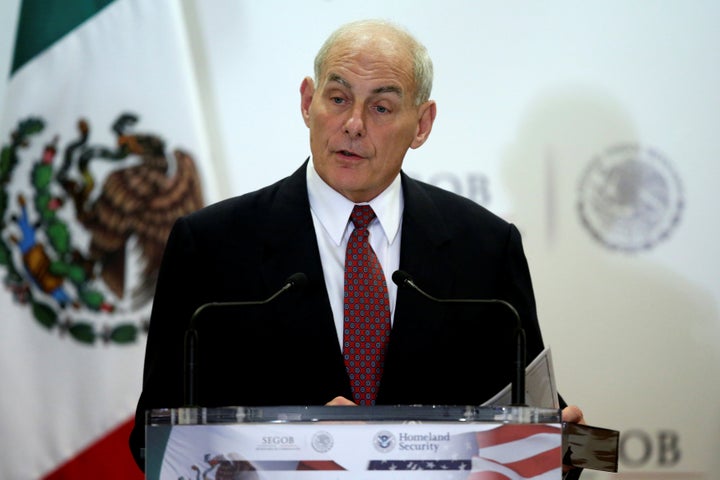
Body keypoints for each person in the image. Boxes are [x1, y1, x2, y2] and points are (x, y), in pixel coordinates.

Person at [129, 18, 585, 476]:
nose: (353, 125)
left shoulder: (485, 247)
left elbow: (547, 427)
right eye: (338, 98)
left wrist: (567, 451)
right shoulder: (210, 245)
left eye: (382, 107)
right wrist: (289, 449)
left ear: (422, 124)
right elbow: (153, 439)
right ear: (308, 102)